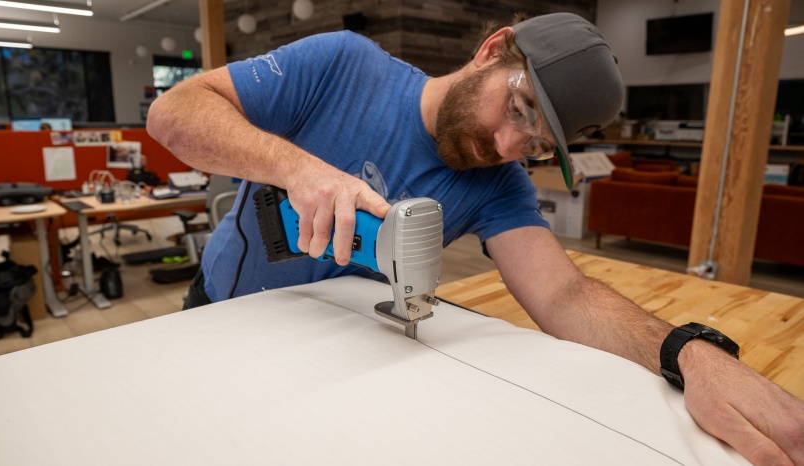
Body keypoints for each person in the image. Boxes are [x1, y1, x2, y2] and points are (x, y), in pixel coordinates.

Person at [147, 12, 804, 465]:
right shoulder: (344, 67)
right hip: (221, 316)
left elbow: (566, 295)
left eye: (538, 144)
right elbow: (172, 113)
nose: (507, 146)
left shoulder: (499, 186)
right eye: (519, 110)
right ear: (492, 50)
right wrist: (298, 168)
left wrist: (688, 353)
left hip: (333, 361)